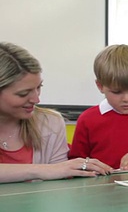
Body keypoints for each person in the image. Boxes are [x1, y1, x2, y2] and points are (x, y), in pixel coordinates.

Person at [0, 42, 111, 183]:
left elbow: (56, 186)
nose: (36, 99)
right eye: (23, 94)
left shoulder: (50, 123)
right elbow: (52, 171)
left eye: (38, 87)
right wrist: (42, 170)